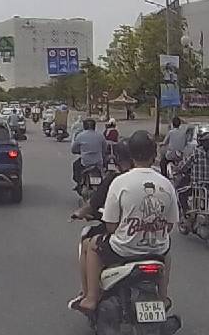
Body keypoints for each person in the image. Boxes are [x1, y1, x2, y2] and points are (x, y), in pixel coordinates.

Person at [71, 131, 179, 314]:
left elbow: (111, 226)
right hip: (157, 249)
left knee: (92, 245)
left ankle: (91, 298)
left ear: (131, 155)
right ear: (154, 156)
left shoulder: (120, 182)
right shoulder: (166, 184)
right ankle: (162, 297)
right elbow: (169, 226)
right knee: (166, 249)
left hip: (124, 249)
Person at [178, 126, 209, 213]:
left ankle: (186, 213)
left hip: (198, 186)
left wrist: (180, 170)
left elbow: (185, 166)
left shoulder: (196, 153)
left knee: (181, 193)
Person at [70, 117, 108, 188]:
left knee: (76, 164)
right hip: (98, 163)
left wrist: (80, 151)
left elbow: (73, 149)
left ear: (84, 126)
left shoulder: (80, 136)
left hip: (86, 163)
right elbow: (105, 148)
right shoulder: (100, 136)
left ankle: (79, 182)